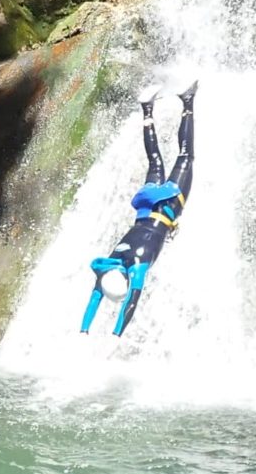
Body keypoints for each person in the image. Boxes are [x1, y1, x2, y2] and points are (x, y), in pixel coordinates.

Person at [81, 82, 196, 337]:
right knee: (155, 160)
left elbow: (131, 303)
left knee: (185, 156)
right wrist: (84, 329)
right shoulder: (107, 264)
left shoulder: (137, 266)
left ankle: (187, 100)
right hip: (144, 205)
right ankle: (147, 108)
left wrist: (116, 334)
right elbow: (93, 301)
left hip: (167, 206)